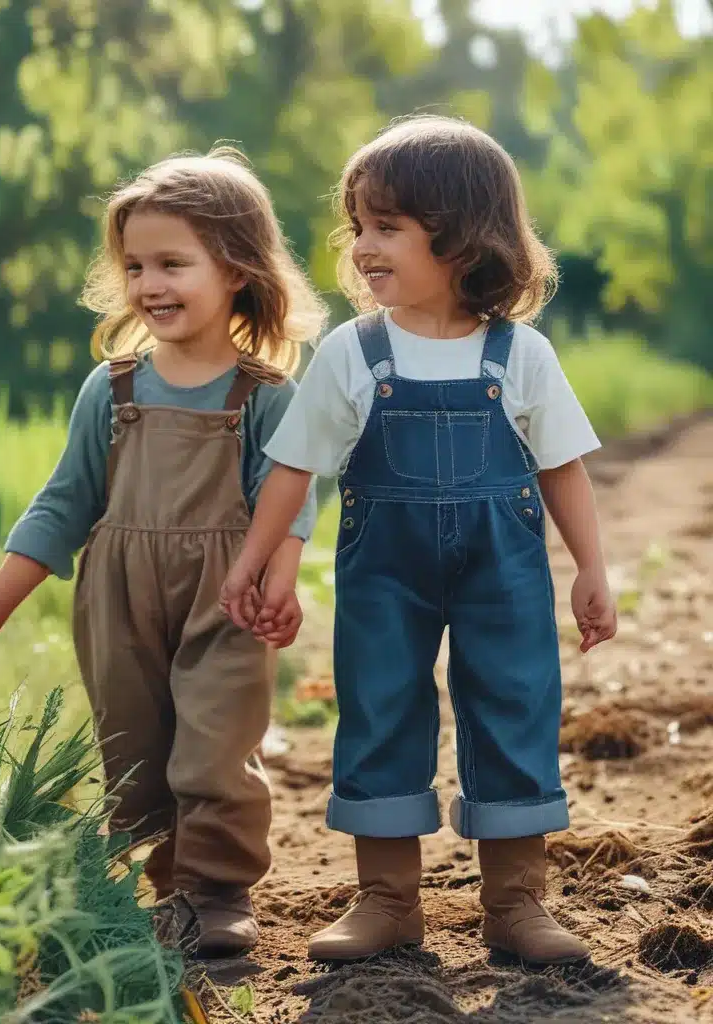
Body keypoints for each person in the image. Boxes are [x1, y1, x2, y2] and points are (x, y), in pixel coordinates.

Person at [220, 115, 617, 966]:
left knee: (514, 707)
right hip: (383, 572)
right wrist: (260, 565)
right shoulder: (351, 353)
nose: (362, 244)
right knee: (379, 709)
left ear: (464, 240)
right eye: (357, 224)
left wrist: (592, 569)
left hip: (502, 569)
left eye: (387, 226)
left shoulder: (522, 355)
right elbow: (296, 470)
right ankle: (387, 901)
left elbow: (562, 470)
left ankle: (516, 904)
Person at [0, 146, 326, 958]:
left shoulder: (262, 394)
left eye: (173, 263)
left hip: (228, 594)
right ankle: (168, 881)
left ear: (236, 268)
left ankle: (218, 889)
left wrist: (278, 576)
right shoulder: (112, 389)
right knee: (135, 745)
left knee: (216, 743)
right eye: (136, 265)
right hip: (117, 598)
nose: (150, 283)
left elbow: (291, 497)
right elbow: (63, 503)